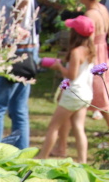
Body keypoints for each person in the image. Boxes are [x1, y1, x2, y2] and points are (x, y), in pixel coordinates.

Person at [0, 0, 37, 148]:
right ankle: (21, 153)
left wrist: (15, 29)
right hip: (26, 49)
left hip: (15, 51)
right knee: (18, 109)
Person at [37, 15, 95, 162]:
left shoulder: (76, 52)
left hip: (74, 94)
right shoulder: (90, 50)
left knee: (53, 127)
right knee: (78, 127)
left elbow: (72, 75)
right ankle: (83, 161)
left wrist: (59, 67)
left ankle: (42, 156)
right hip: (85, 94)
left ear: (75, 33)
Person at [79, 0, 109, 120]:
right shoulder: (103, 9)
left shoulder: (89, 15)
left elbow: (88, 43)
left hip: (94, 59)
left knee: (105, 107)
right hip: (104, 55)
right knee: (105, 104)